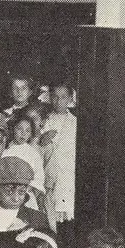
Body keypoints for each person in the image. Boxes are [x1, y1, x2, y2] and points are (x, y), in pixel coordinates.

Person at [41, 83, 77, 235]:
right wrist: (43, 138)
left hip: (67, 173)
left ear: (69, 99)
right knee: (48, 212)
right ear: (50, 98)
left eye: (63, 97)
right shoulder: (44, 120)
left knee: (66, 212)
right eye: (55, 97)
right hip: (48, 171)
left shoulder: (75, 122)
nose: (58, 101)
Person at [3, 111, 46, 196]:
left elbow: (39, 176)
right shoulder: (5, 150)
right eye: (19, 129)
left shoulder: (33, 153)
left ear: (31, 134)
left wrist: (29, 188)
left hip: (25, 193)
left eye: (27, 131)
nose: (23, 133)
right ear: (13, 129)